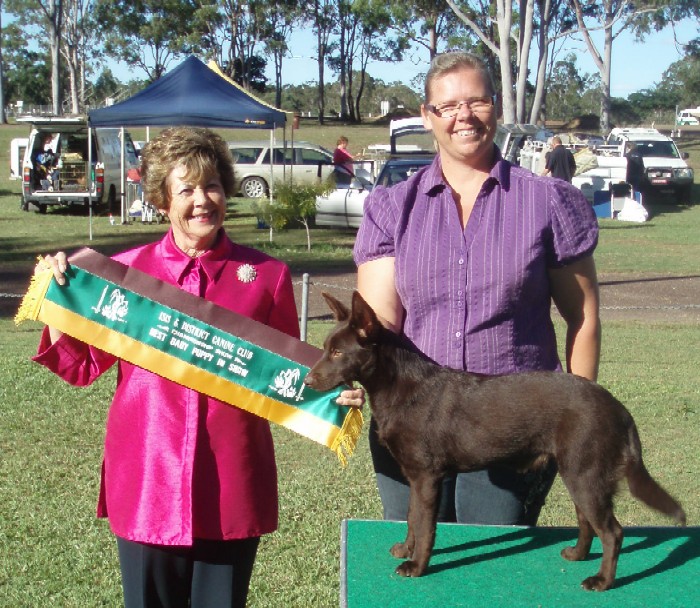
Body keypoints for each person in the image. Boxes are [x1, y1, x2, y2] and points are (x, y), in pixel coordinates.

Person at [33, 127, 362, 608]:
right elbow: (78, 367)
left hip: (231, 481)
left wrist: (335, 394)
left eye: (211, 186)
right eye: (185, 189)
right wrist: (59, 298)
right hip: (147, 478)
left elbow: (288, 377)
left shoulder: (267, 277)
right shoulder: (123, 274)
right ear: (162, 200)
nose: (202, 200)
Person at [354, 52, 601, 526]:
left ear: (496, 107)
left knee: (492, 561)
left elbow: (583, 316)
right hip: (411, 415)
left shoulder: (547, 202)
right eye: (448, 106)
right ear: (428, 116)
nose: (463, 116)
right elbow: (378, 326)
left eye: (477, 102)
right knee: (416, 556)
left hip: (513, 420)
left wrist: (578, 413)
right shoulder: (392, 207)